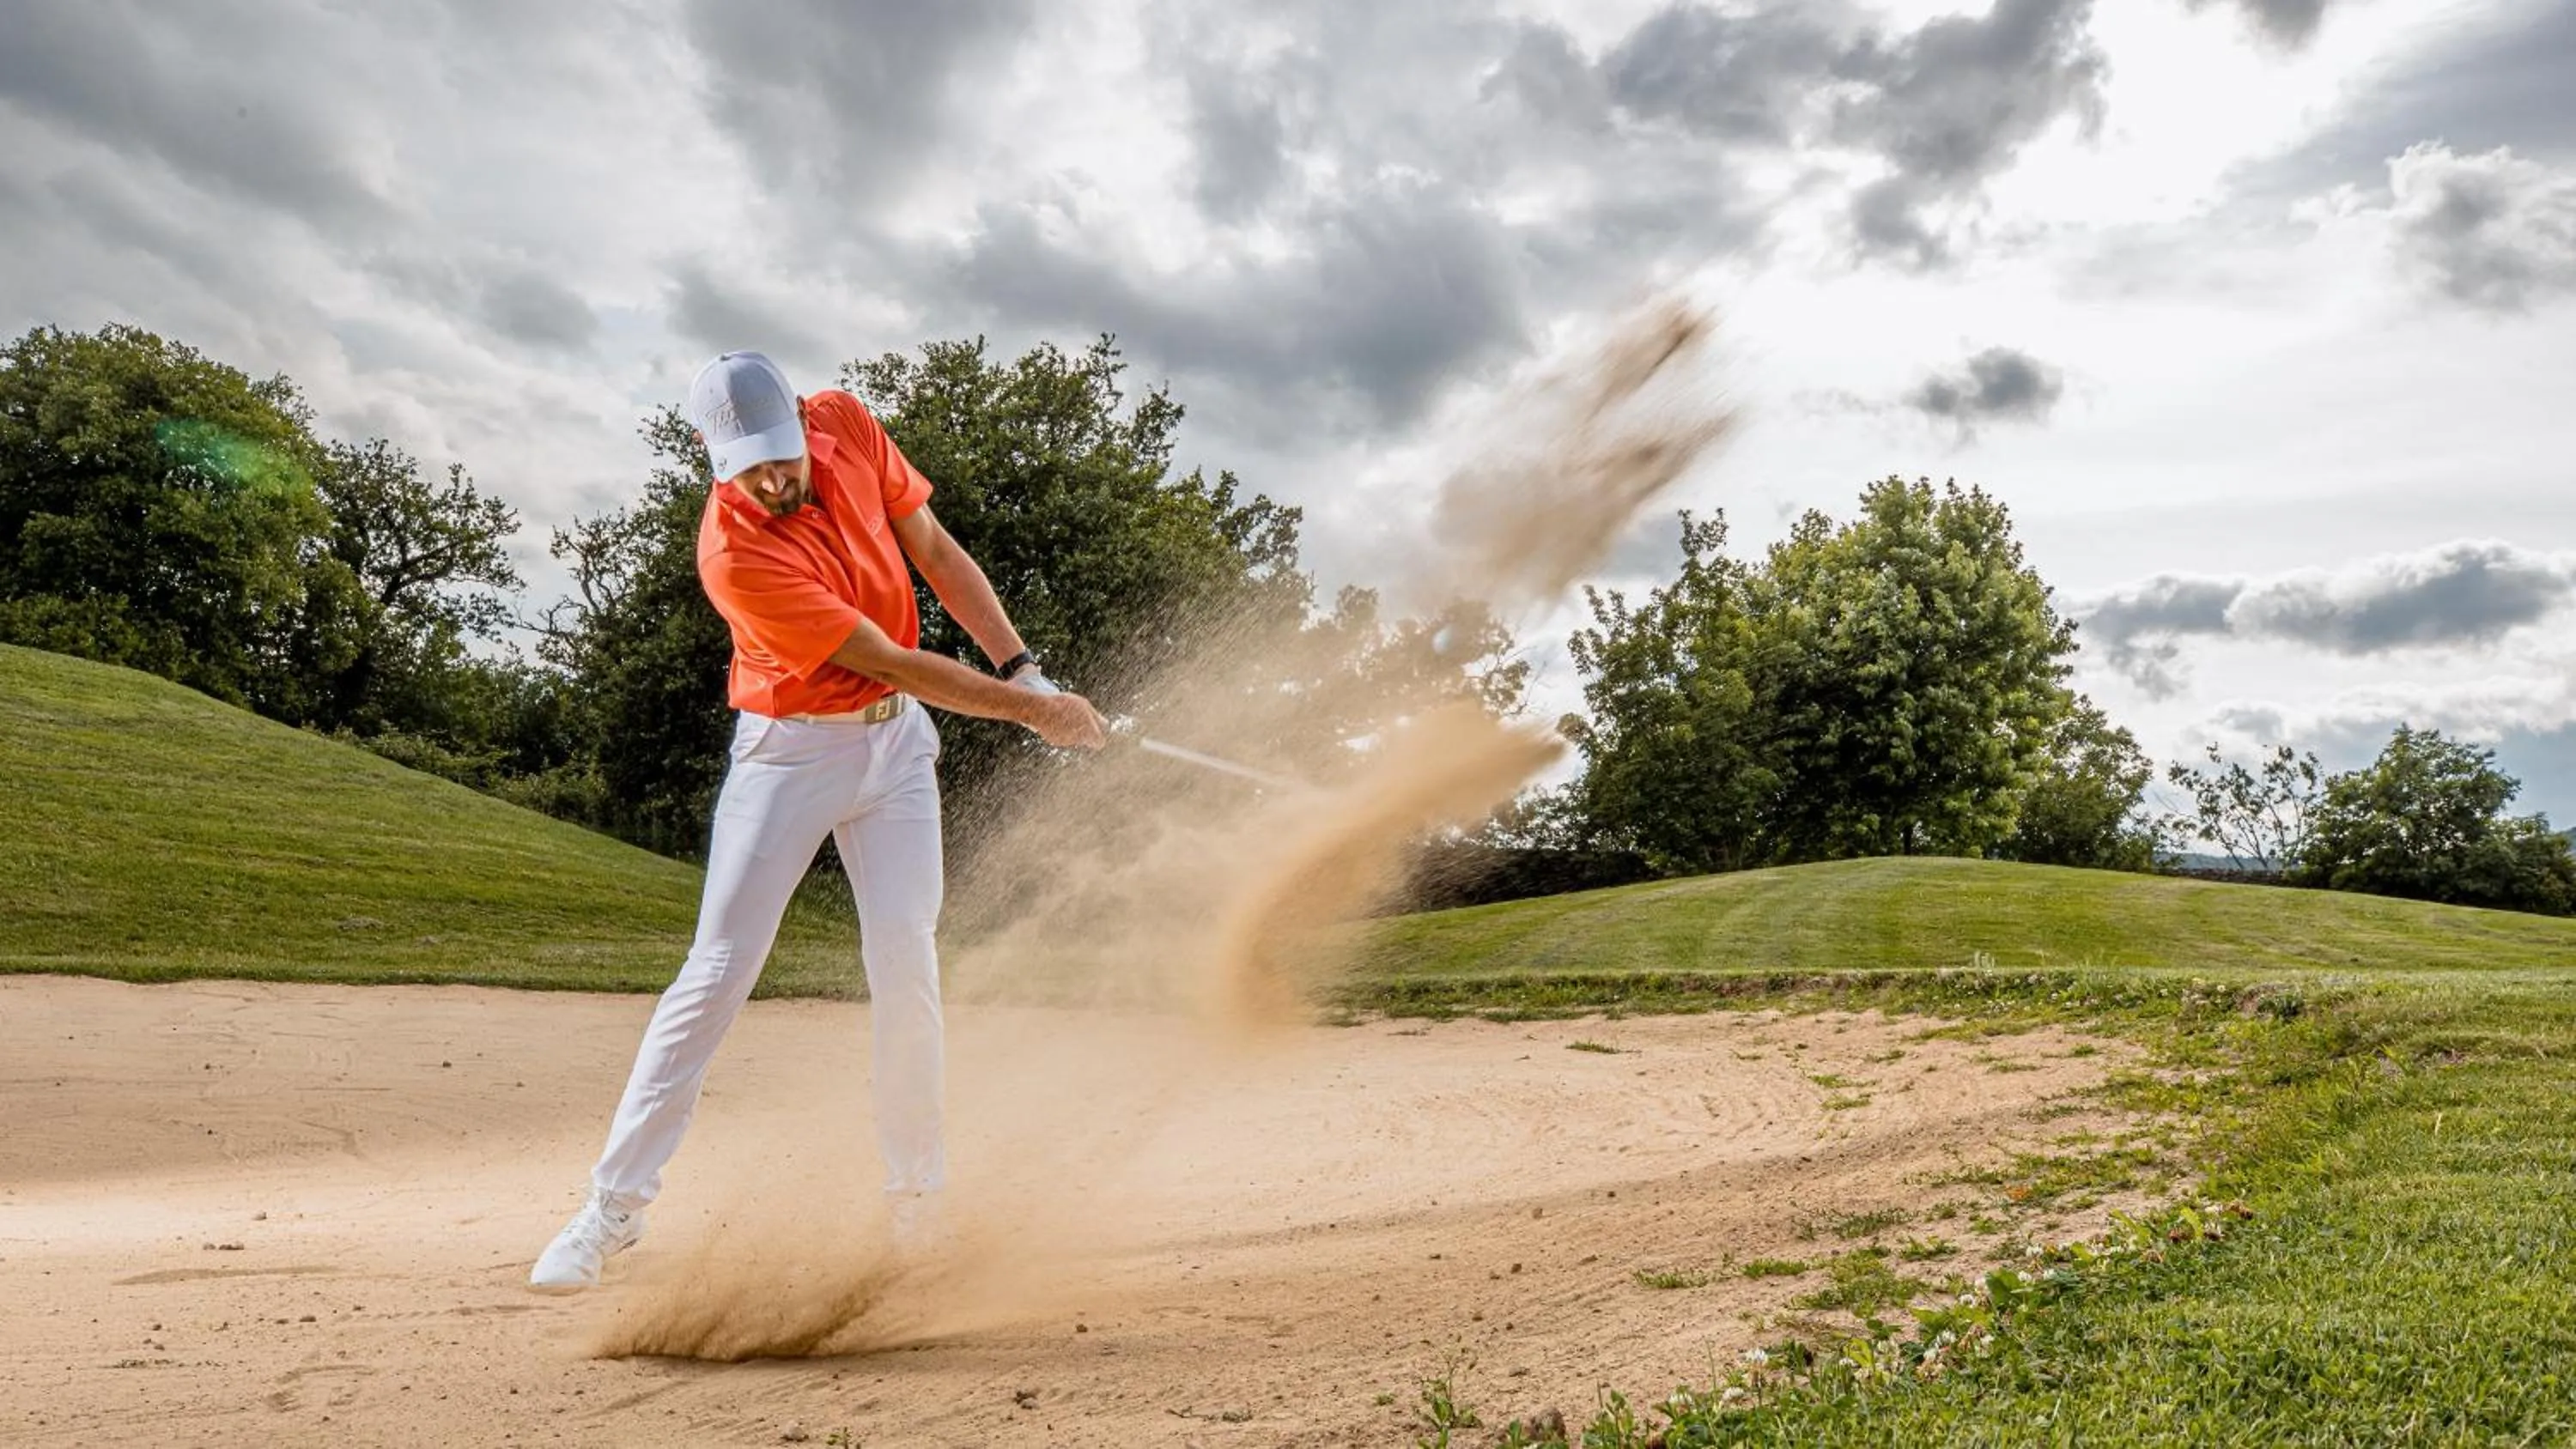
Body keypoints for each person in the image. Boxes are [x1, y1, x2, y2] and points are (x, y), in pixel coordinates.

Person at [530, 350, 1109, 1293]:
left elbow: (935, 551)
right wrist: (1035, 715)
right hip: (792, 754)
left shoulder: (845, 422)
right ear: (717, 461)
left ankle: (918, 1205)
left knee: (907, 963)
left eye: (780, 456)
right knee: (717, 971)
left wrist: (1024, 671)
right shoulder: (735, 555)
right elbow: (891, 660)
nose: (771, 480)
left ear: (803, 422)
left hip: (898, 750)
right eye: (747, 469)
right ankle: (613, 1209)